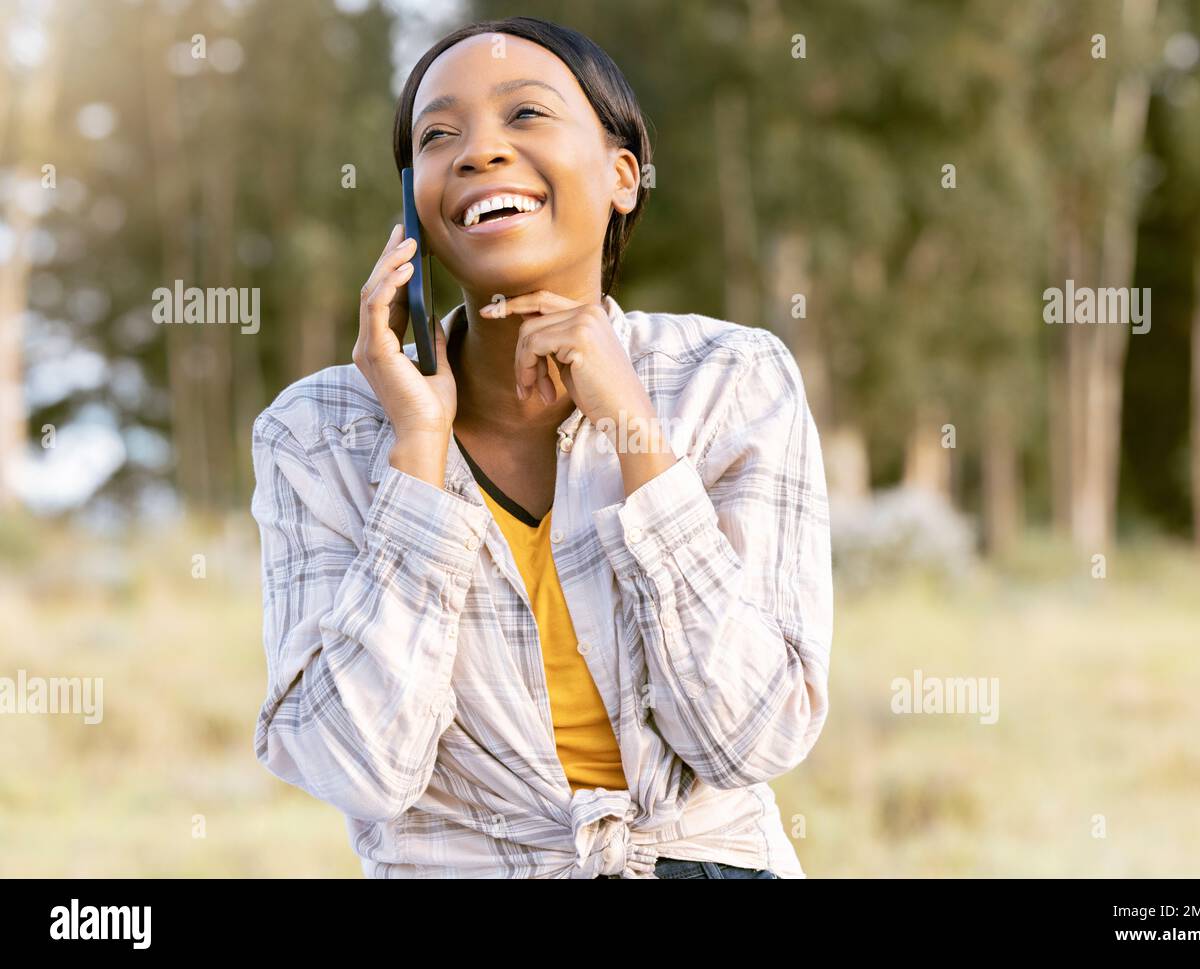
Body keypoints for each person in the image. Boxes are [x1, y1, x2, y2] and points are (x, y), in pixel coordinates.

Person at [249, 15, 833, 879]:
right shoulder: (316, 433)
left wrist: (634, 427)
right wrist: (418, 452)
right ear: (414, 203)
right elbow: (358, 768)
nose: (480, 151)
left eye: (525, 115)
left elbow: (754, 733)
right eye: (439, 135)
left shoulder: (732, 378)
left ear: (622, 176)